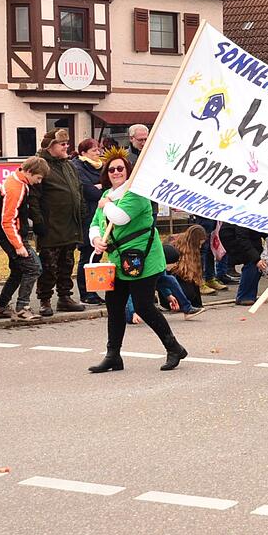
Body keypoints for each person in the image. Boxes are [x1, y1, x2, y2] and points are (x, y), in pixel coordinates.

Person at [88, 148, 187, 373]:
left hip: (143, 258)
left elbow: (120, 218)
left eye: (120, 168)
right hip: (116, 259)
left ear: (128, 170)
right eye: (111, 169)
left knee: (143, 306)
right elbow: (95, 222)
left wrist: (107, 205)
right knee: (114, 306)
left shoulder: (136, 193)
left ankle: (173, 348)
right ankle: (113, 355)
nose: (115, 172)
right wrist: (96, 239)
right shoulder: (107, 196)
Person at [30, 128, 84, 315]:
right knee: (49, 266)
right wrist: (38, 222)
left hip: (70, 225)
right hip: (51, 226)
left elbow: (78, 190)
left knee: (67, 263)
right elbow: (34, 198)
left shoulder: (68, 165)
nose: (66, 147)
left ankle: (65, 297)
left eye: (67, 144)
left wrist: (82, 212)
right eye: (62, 144)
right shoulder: (41, 165)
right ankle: (45, 300)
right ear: (51, 146)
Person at [0, 157, 49, 320]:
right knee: (34, 268)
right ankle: (22, 307)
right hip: (11, 235)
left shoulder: (18, 181)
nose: (38, 182)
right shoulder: (16, 188)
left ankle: (1, 307)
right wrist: (18, 245)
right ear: (29, 172)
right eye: (38, 178)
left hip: (10, 234)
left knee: (18, 271)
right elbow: (7, 220)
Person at [73, 138, 104, 305]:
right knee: (87, 255)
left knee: (97, 256)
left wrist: (101, 187)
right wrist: (99, 188)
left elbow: (109, 187)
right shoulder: (78, 166)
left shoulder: (101, 166)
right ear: (83, 153)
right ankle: (86, 293)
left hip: (100, 217)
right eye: (93, 151)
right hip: (86, 218)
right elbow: (89, 191)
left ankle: (94, 291)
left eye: (98, 150)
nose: (98, 153)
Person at [219, 222, 268, 306]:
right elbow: (242, 238)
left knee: (257, 261)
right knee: (252, 261)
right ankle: (244, 297)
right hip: (232, 237)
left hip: (249, 237)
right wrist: (256, 259)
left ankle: (251, 295)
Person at [166, 225, 207, 309]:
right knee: (189, 291)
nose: (200, 247)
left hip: (181, 276)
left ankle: (194, 304)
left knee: (192, 284)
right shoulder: (175, 248)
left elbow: (194, 278)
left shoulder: (192, 250)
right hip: (173, 276)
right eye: (199, 244)